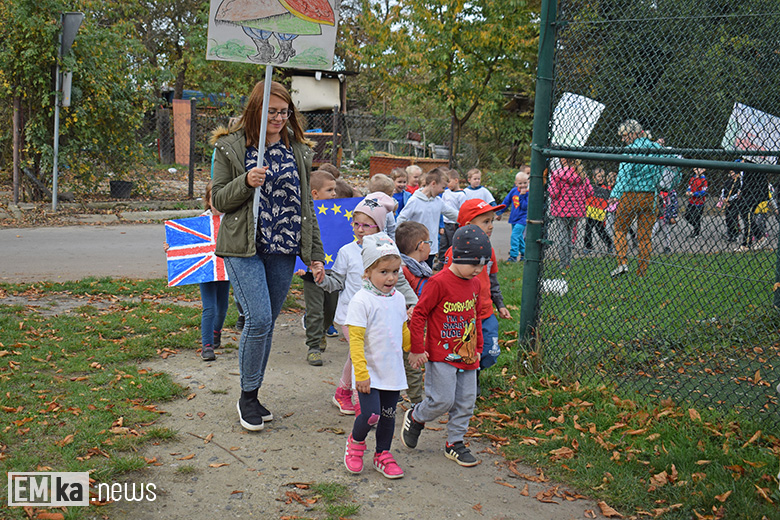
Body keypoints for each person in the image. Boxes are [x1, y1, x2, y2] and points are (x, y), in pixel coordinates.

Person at [211, 80, 325, 432]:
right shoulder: (230, 147)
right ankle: (246, 397)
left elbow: (306, 206)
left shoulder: (299, 151)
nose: (278, 118)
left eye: (284, 111)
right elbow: (217, 200)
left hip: (284, 248)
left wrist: (316, 255)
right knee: (258, 319)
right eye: (271, 111)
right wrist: (246, 181)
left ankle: (255, 393)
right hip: (244, 247)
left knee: (267, 323)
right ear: (255, 110)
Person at [318, 193, 418, 415]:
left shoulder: (387, 251)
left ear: (379, 228)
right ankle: (359, 395)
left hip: (378, 315)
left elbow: (398, 281)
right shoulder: (346, 251)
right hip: (350, 314)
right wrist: (323, 279)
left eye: (367, 225)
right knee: (360, 351)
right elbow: (336, 281)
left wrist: (413, 303)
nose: (360, 229)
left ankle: (342, 391)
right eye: (356, 224)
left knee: (359, 354)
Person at [402, 225, 491, 467]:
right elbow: (419, 314)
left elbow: (475, 317)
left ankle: (455, 442)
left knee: (465, 401)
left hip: (469, 354)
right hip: (441, 355)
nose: (478, 270)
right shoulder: (438, 282)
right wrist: (417, 348)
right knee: (442, 401)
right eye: (474, 264)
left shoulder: (474, 283)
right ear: (459, 257)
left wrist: (479, 346)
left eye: (483, 265)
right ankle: (417, 416)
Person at [343, 233, 409, 479]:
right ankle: (356, 443)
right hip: (368, 373)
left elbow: (402, 331)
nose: (391, 277)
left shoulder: (399, 298)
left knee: (389, 416)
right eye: (384, 272)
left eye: (395, 271)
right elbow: (356, 340)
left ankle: (382, 454)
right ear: (367, 272)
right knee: (371, 415)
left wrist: (414, 349)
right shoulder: (362, 301)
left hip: (392, 372)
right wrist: (360, 373)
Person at [442, 199, 511, 382]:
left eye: (492, 221)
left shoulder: (490, 251)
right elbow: (445, 284)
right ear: (468, 226)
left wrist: (500, 304)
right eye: (485, 222)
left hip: (486, 313)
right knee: (464, 350)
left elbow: (493, 281)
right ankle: (469, 381)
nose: (490, 226)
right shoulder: (453, 253)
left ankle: (474, 372)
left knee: (490, 351)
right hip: (463, 315)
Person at [609, 120, 663, 277]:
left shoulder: (630, 150)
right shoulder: (657, 148)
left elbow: (624, 176)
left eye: (625, 135)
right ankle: (642, 272)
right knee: (645, 237)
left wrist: (615, 194)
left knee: (619, 229)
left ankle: (622, 263)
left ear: (633, 133)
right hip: (651, 195)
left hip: (631, 194)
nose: (623, 139)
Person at [300, 170, 339, 366]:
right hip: (311, 271)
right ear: (314, 194)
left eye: (335, 189)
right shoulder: (305, 213)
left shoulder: (339, 212)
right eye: (329, 190)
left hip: (333, 271)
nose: (334, 194)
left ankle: (323, 330)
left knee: (330, 309)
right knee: (315, 310)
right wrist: (299, 265)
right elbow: (300, 240)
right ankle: (313, 346)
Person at [395, 221, 432, 405]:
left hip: (419, 326)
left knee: (413, 363)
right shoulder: (404, 271)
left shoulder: (422, 268)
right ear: (421, 246)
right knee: (411, 364)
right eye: (429, 242)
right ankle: (416, 400)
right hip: (406, 329)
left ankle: (414, 397)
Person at [396, 168, 459, 267]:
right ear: (433, 183)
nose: (443, 191)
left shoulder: (438, 201)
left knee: (427, 274)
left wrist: (470, 217)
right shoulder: (414, 200)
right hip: (415, 248)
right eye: (442, 187)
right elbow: (401, 219)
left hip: (431, 248)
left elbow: (453, 214)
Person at [548, 158, 593, 270]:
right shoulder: (582, 174)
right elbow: (590, 192)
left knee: (562, 236)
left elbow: (554, 193)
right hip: (576, 210)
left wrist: (549, 188)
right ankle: (568, 261)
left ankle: (564, 263)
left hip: (561, 209)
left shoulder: (557, 174)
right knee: (570, 234)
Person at [496, 168, 530, 262]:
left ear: (528, 182)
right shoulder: (513, 191)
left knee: (514, 236)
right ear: (516, 183)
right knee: (519, 237)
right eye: (520, 183)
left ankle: (513, 256)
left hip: (523, 219)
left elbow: (524, 207)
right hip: (514, 218)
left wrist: (522, 196)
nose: (523, 185)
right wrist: (499, 212)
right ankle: (524, 254)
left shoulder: (528, 194)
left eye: (525, 183)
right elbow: (506, 202)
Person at [438, 169, 466, 269]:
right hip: (445, 222)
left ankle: (452, 261)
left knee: (452, 243)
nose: (447, 184)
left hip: (454, 223)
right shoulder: (446, 192)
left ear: (456, 180)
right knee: (443, 243)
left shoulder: (461, 195)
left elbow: (462, 211)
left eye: (448, 181)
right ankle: (441, 261)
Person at [582, 167, 613, 255]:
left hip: (600, 211)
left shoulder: (606, 189)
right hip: (591, 211)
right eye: (599, 176)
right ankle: (588, 246)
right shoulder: (591, 187)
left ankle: (609, 243)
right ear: (594, 177)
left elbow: (607, 201)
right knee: (588, 228)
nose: (601, 178)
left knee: (600, 229)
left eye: (603, 176)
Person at [367, 173, 398, 239]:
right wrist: (393, 244)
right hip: (383, 241)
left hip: (367, 239)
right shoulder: (387, 209)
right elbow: (391, 229)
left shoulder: (365, 205)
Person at [718, 169, 742, 244]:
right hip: (728, 203)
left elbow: (738, 194)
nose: (732, 174)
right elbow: (724, 191)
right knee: (728, 219)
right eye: (731, 172)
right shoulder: (728, 182)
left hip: (735, 203)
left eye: (734, 172)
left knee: (733, 218)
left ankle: (735, 233)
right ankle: (730, 233)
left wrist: (730, 200)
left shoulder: (739, 182)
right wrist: (725, 199)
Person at [652, 188, 678, 254]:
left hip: (666, 216)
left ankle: (667, 247)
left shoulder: (672, 192)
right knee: (653, 231)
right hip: (657, 216)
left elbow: (674, 205)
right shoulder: (657, 191)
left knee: (666, 232)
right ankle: (648, 246)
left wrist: (673, 216)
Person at [683, 168, 708, 238]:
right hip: (691, 201)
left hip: (699, 202)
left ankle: (696, 232)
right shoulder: (692, 178)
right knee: (687, 215)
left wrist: (693, 193)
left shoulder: (704, 180)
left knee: (696, 217)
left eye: (701, 169)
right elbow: (689, 186)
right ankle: (696, 227)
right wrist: (688, 191)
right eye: (697, 169)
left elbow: (704, 192)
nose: (699, 170)